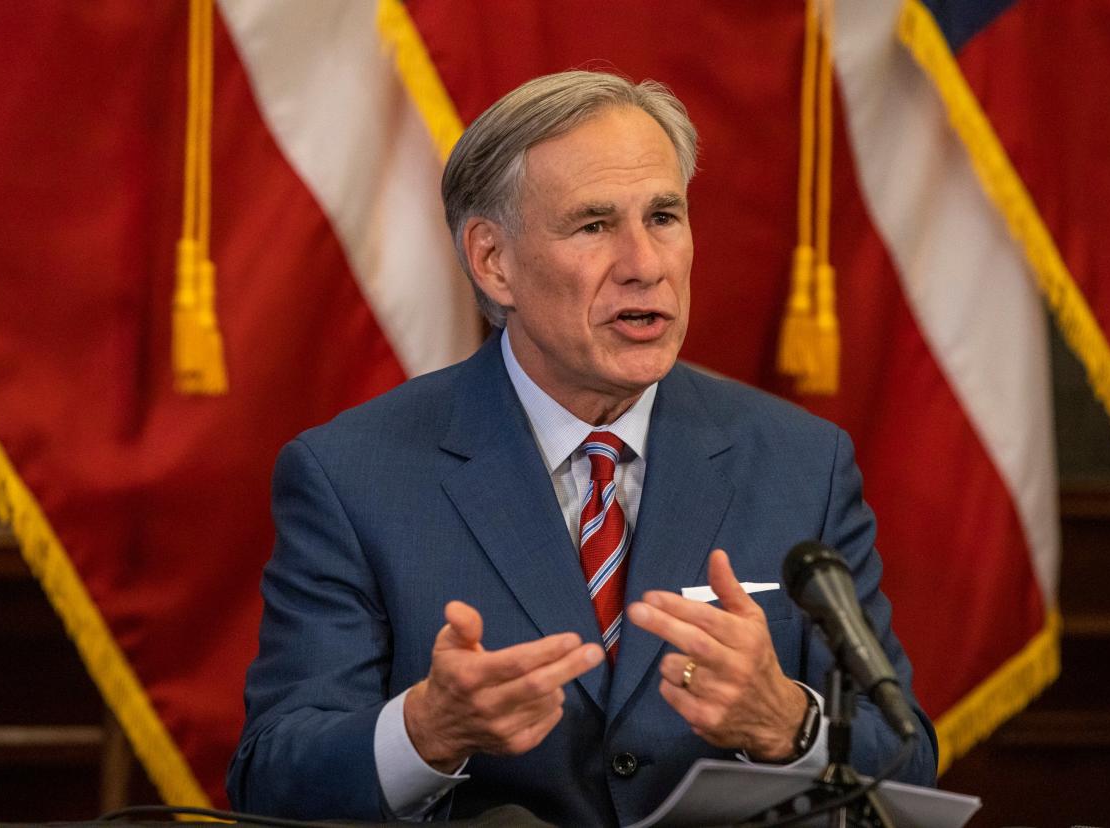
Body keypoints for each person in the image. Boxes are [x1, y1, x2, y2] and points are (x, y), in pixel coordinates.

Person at [227, 70, 936, 826]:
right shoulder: (354, 475)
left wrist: (786, 724)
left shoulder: (803, 464)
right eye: (594, 225)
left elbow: (908, 762)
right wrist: (425, 732)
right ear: (493, 260)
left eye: (664, 215)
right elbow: (272, 776)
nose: (644, 262)